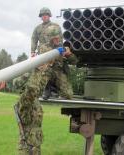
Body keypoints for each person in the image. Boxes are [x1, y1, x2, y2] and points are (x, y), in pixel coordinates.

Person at [16, 24, 78, 155]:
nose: (56, 40)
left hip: (58, 73)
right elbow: (43, 65)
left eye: (57, 38)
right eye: (54, 38)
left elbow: (74, 61)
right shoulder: (45, 48)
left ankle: (55, 88)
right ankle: (49, 88)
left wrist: (69, 54)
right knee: (39, 86)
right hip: (47, 72)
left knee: (68, 94)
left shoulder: (64, 46)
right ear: (50, 38)